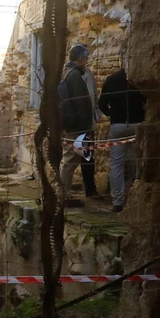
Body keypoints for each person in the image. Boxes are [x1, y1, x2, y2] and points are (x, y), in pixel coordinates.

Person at [97, 57, 147, 212]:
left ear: (120, 61)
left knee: (116, 164)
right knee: (140, 160)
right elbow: (146, 100)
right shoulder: (138, 79)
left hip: (118, 125)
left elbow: (101, 104)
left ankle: (118, 202)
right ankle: (139, 197)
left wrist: (112, 115)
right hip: (137, 124)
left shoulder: (111, 80)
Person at [57, 43, 101, 202]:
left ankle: (64, 193)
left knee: (71, 159)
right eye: (86, 57)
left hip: (73, 123)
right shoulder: (74, 75)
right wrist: (85, 127)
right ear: (81, 58)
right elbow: (80, 102)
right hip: (77, 125)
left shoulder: (68, 72)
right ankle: (63, 196)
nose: (88, 60)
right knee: (70, 160)